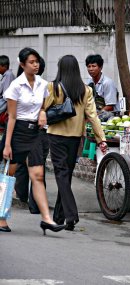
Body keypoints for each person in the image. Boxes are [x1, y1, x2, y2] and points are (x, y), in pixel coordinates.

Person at [0, 47, 65, 234]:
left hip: (35, 134)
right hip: (18, 132)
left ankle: (46, 219)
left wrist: (43, 112)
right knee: (8, 177)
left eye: (37, 61)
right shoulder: (15, 86)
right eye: (31, 62)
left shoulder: (43, 84)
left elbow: (43, 105)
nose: (36, 65)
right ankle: (2, 218)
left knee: (37, 176)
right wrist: (7, 145)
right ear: (22, 64)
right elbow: (11, 118)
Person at [45, 55, 107, 231]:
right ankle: (60, 217)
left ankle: (71, 215)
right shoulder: (85, 90)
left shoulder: (53, 87)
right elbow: (93, 116)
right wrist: (101, 138)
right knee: (66, 176)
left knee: (61, 176)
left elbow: (43, 109)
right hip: (75, 139)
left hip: (56, 136)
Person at [14, 57, 48, 214]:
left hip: (24, 132)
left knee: (26, 167)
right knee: (34, 167)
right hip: (33, 133)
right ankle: (32, 204)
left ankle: (23, 197)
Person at [0, 55, 16, 126]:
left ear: (4, 66)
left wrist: (8, 109)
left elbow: (6, 96)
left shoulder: (8, 75)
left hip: (4, 103)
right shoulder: (6, 75)